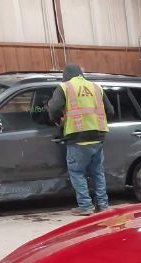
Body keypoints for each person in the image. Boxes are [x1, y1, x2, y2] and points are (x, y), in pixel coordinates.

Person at [48, 64, 115, 214]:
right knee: (98, 172)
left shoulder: (65, 87)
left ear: (66, 75)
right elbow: (110, 111)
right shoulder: (96, 87)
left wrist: (57, 121)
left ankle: (85, 206)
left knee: (77, 173)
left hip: (77, 137)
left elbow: (53, 108)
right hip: (97, 137)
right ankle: (103, 205)